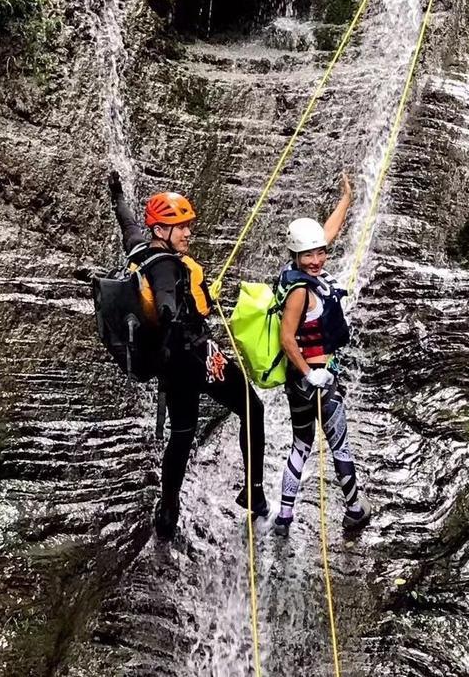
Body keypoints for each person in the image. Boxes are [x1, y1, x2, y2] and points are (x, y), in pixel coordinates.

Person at [106, 171, 266, 539]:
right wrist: (181, 309)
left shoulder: (139, 250)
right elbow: (165, 298)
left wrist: (117, 194)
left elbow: (127, 222)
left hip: (170, 366)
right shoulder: (166, 265)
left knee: (182, 434)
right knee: (252, 408)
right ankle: (254, 491)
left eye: (187, 226)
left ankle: (168, 508)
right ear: (161, 231)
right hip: (196, 357)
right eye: (180, 227)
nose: (187, 233)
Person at [274, 173, 371, 535]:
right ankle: (355, 510)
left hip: (297, 383)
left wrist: (345, 200)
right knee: (339, 445)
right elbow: (287, 338)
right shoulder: (301, 291)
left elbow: (326, 232)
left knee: (301, 443)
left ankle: (284, 517)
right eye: (309, 254)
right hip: (316, 378)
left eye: (320, 253)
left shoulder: (291, 273)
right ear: (296, 255)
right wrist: (311, 373)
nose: (317, 260)